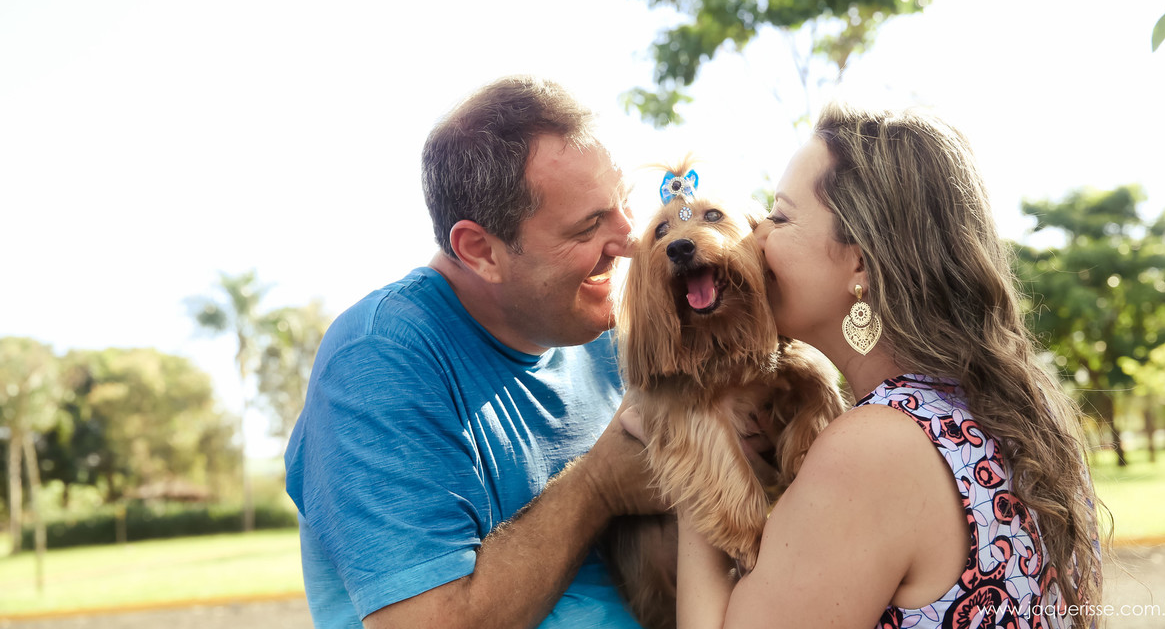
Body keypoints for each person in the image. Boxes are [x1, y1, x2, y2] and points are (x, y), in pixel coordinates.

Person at [643, 101, 1104, 628]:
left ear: (860, 260)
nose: (756, 235)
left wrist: (695, 459)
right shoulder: (1024, 406)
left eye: (780, 215)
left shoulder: (873, 449)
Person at [284, 75, 660, 629]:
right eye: (588, 226)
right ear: (479, 250)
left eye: (623, 205)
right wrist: (598, 487)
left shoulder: (608, 329)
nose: (630, 240)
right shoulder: (380, 359)